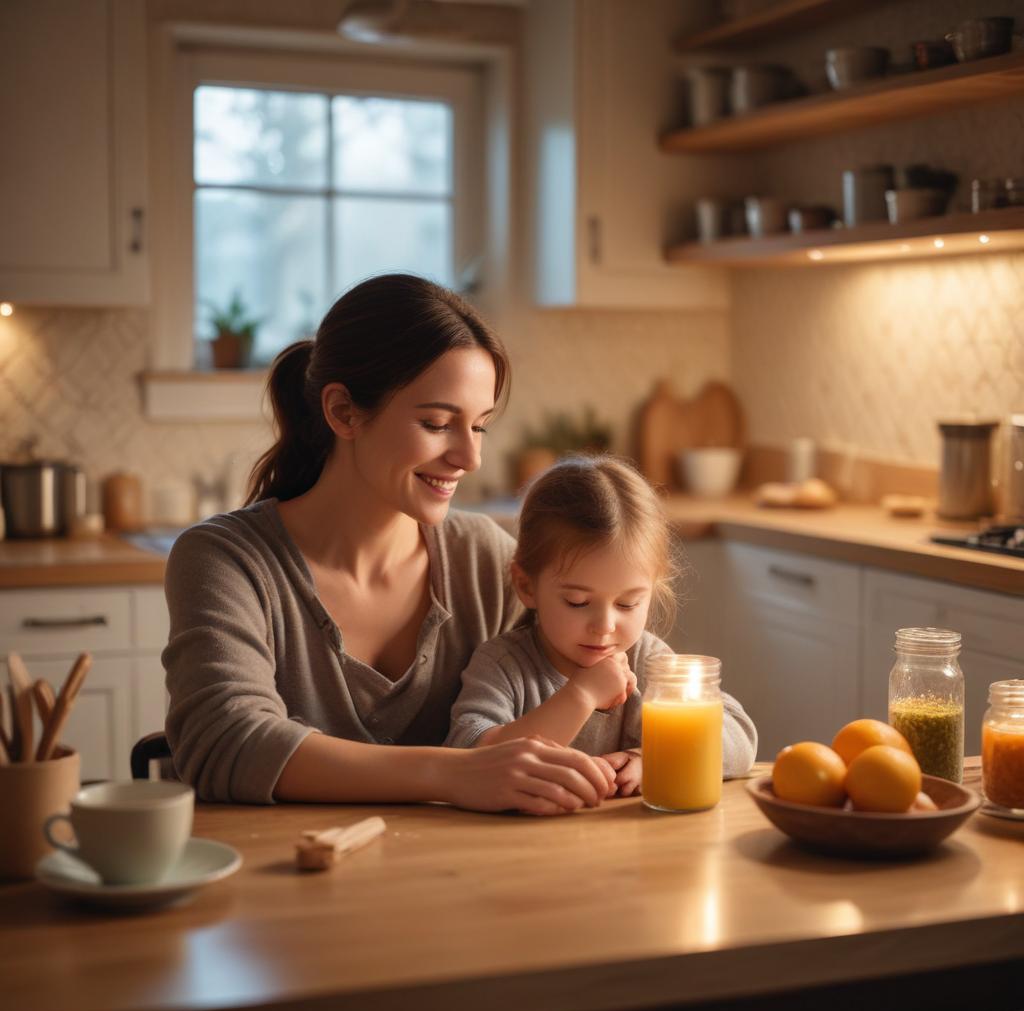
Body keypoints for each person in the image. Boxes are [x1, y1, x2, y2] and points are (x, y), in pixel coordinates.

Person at [162, 274, 615, 813]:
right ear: (343, 412)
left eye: (480, 427)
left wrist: (639, 753)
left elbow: (607, 672)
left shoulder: (487, 561)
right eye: (437, 423)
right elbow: (225, 741)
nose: (469, 459)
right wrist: (455, 774)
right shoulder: (226, 561)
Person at [445, 455, 757, 794]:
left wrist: (655, 759)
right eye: (578, 602)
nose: (605, 626)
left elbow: (739, 737)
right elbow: (468, 758)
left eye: (628, 603)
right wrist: (581, 695)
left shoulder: (649, 662)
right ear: (527, 586)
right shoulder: (503, 666)